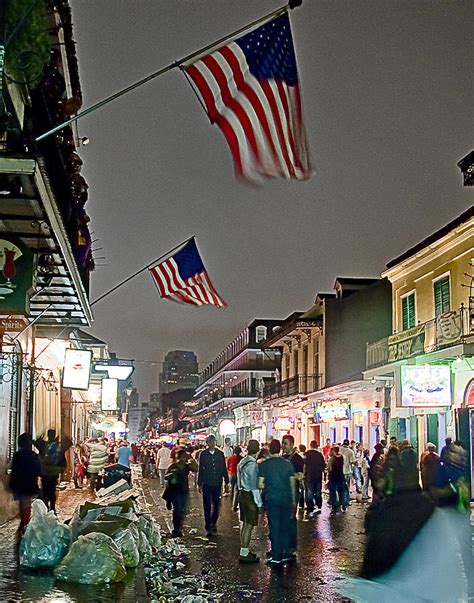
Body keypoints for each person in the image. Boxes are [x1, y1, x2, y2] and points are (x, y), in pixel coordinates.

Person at [259, 439, 296, 566]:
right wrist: (294, 501)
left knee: (274, 527)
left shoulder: (265, 465)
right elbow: (292, 484)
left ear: (269, 449)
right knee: (285, 526)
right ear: (280, 449)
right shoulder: (287, 464)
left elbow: (260, 483)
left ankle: (276, 556)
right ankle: (286, 554)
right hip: (286, 498)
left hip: (272, 498)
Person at [9, 433, 42, 534]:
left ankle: (24, 523)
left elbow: (13, 469)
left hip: (19, 483)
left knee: (23, 503)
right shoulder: (34, 456)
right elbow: (38, 470)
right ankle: (24, 523)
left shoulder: (17, 455)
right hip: (29, 482)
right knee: (26, 503)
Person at [237, 439, 262, 563]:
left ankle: (244, 550)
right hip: (249, 496)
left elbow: (238, 481)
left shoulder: (242, 462)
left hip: (242, 494)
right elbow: (254, 487)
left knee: (245, 524)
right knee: (249, 525)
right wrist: (259, 503)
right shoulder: (252, 465)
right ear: (257, 449)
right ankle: (244, 553)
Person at [197, 435, 229, 536]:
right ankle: (207, 525)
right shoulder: (203, 454)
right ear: (207, 443)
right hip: (206, 483)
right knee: (206, 505)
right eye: (210, 441)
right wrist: (199, 483)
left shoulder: (220, 454)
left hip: (217, 483)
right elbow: (200, 469)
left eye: (213, 441)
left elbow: (223, 468)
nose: (212, 443)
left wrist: (226, 481)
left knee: (216, 505)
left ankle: (213, 523)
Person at [163, 449, 198, 537]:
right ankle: (176, 530)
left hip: (182, 492)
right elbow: (167, 478)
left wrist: (192, 460)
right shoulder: (175, 466)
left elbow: (195, 469)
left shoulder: (184, 466)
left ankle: (177, 529)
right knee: (178, 511)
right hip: (177, 492)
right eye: (183, 456)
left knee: (180, 511)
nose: (184, 458)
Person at [282, 434, 304, 555]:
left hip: (292, 492)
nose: (283, 446)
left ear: (291, 444)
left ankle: (291, 547)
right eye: (282, 443)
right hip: (281, 492)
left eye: (285, 443)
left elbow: (300, 476)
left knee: (291, 520)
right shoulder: (281, 457)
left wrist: (291, 476)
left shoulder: (297, 459)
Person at [35, 429, 66, 513]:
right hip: (53, 474)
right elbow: (62, 460)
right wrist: (60, 471)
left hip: (45, 473)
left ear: (48, 435)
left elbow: (37, 445)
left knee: (45, 491)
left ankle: (46, 508)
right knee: (52, 491)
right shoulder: (58, 447)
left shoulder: (44, 445)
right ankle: (52, 508)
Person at [304, 440, 325, 517]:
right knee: (318, 491)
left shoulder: (307, 454)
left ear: (310, 445)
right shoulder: (319, 455)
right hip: (318, 476)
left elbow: (304, 465)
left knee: (309, 492)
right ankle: (319, 505)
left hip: (309, 476)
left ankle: (310, 507)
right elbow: (323, 465)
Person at [327, 446, 348, 514]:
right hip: (341, 476)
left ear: (333, 451)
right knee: (342, 491)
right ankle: (343, 505)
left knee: (333, 492)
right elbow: (345, 466)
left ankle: (334, 507)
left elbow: (329, 468)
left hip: (333, 477)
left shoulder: (332, 459)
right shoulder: (343, 457)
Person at [226, 445, 243, 512]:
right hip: (238, 475)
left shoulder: (230, 458)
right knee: (237, 490)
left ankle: (231, 501)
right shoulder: (241, 458)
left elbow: (227, 466)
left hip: (231, 474)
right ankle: (234, 505)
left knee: (232, 489)